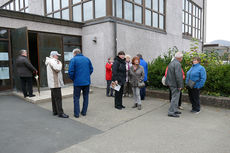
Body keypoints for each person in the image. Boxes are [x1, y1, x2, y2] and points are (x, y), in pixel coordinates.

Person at [68, 48, 93, 118]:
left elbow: (70, 72)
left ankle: (76, 114)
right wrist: (87, 76)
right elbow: (91, 69)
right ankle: (84, 112)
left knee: (76, 98)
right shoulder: (87, 59)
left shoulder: (73, 60)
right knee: (86, 97)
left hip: (77, 83)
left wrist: (74, 79)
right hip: (86, 82)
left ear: (75, 53)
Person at [45, 51, 69, 118]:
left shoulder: (50, 61)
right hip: (55, 83)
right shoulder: (53, 61)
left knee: (54, 97)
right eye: (57, 55)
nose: (58, 57)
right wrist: (60, 63)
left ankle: (55, 111)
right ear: (53, 56)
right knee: (58, 98)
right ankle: (60, 113)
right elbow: (58, 69)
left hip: (53, 83)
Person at [165, 52, 184, 117]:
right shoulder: (177, 64)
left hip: (171, 83)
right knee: (175, 98)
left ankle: (174, 110)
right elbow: (178, 76)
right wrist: (180, 85)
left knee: (175, 98)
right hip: (175, 84)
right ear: (180, 58)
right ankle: (171, 112)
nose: (182, 59)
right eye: (182, 58)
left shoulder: (172, 63)